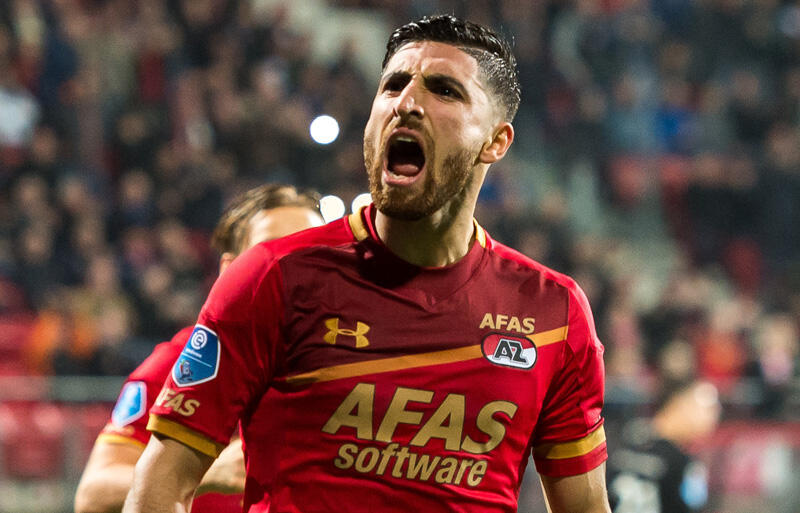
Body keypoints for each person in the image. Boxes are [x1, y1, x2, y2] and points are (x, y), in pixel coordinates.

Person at [124, 15, 610, 513]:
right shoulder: (274, 276)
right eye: (393, 85)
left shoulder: (554, 313)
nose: (407, 103)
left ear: (495, 141)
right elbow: (158, 486)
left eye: (444, 90)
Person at [74, 184, 324, 513]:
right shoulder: (184, 362)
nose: (297, 272)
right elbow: (93, 494)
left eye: (314, 255)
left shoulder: (365, 362)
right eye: (272, 255)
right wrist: (207, 471)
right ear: (230, 270)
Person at [607, 380, 721, 513]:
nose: (714, 415)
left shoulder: (621, 437)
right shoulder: (683, 463)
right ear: (679, 404)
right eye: (708, 407)